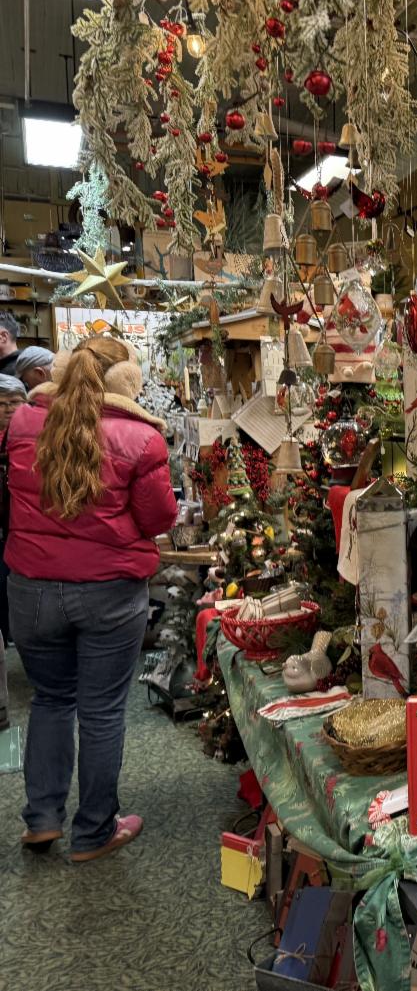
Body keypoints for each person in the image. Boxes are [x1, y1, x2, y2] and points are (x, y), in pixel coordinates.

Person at [7, 337, 177, 860]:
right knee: (101, 712)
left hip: (32, 587)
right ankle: (94, 831)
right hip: (109, 590)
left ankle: (42, 819)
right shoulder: (141, 439)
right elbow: (158, 518)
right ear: (126, 379)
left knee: (50, 700)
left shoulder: (24, 422)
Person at [0, 374, 25, 731]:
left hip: (21, 531)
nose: (7, 409)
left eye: (14, 402)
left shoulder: (31, 439)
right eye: (2, 404)